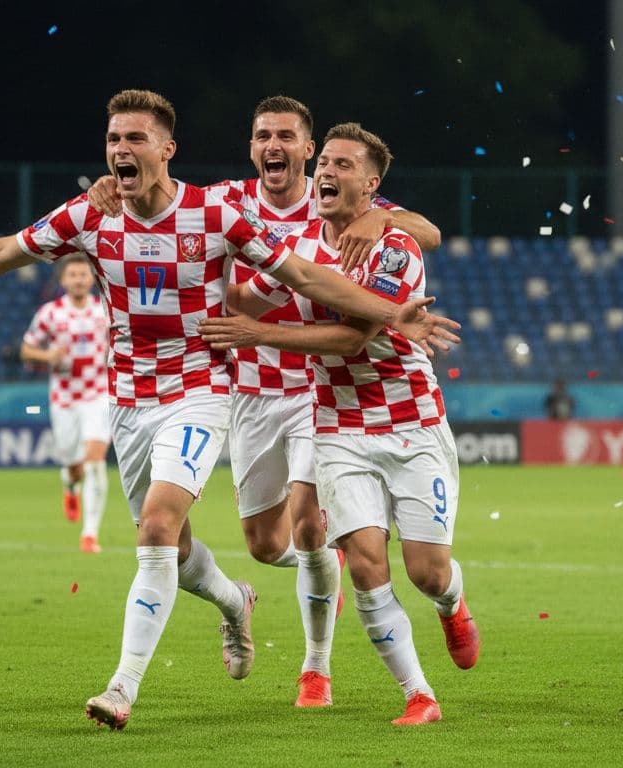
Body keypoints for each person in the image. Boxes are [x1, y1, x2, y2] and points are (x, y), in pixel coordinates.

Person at [0, 90, 455, 730]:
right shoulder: (93, 215)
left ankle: (128, 687)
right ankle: (232, 599)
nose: (122, 151)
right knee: (195, 545)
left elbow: (309, 273)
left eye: (135, 139)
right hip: (131, 400)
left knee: (170, 527)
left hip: (212, 389)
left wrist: (390, 308)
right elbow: (0, 251)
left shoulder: (217, 215)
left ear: (168, 149)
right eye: (113, 142)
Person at [88, 95, 444, 707]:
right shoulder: (229, 203)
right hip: (251, 389)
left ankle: (316, 668)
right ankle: (263, 590)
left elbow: (429, 231)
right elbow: (162, 200)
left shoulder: (337, 196)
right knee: (263, 542)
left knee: (309, 527)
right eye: (262, 136)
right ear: (251, 148)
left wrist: (382, 220)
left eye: (286, 136)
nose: (272, 146)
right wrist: (108, 187)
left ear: (308, 149)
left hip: (318, 388)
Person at [200, 123, 476, 726]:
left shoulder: (396, 245)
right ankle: (419, 695)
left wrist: (259, 333)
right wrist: (206, 270)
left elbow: (356, 335)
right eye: (324, 161)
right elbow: (250, 298)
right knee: (366, 562)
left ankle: (452, 603)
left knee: (426, 573)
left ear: (372, 185)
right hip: (337, 427)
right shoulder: (298, 246)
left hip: (408, 421)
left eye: (343, 165)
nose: (326, 171)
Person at [20, 254, 111, 552]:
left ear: (92, 279)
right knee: (75, 467)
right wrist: (48, 357)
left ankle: (90, 534)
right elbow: (26, 350)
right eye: (73, 275)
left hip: (99, 394)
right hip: (64, 398)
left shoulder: (105, 311)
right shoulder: (50, 313)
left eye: (84, 275)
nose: (79, 280)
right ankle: (70, 486)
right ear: (63, 280)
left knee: (95, 459)